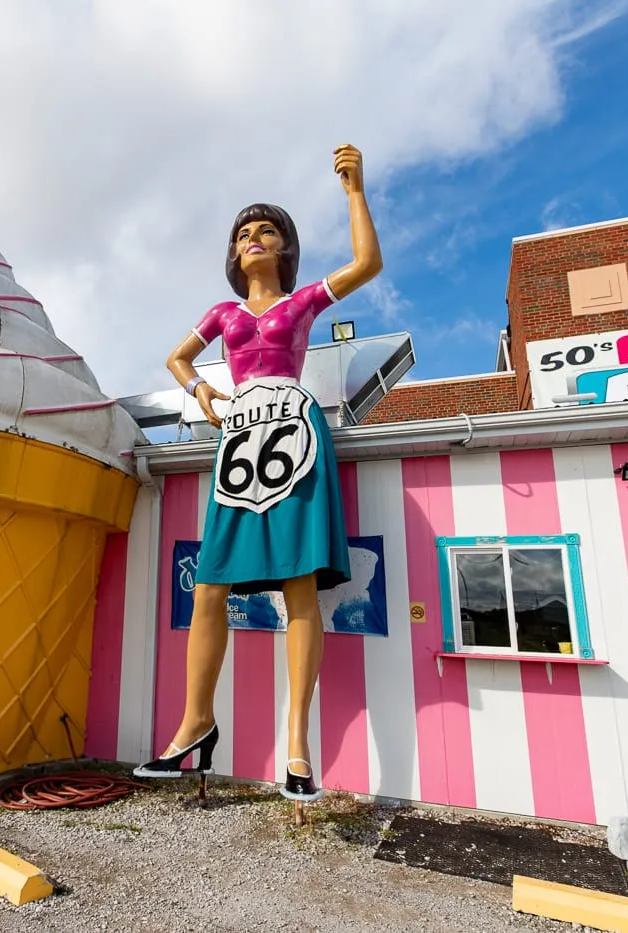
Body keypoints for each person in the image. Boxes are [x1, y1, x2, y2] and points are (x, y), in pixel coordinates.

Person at [135, 144, 383, 802]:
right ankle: (195, 723)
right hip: (240, 436)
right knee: (210, 583)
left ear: (285, 247)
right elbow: (176, 357)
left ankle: (297, 744)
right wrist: (202, 392)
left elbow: (365, 264)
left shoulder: (301, 302)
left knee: (298, 584)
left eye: (265, 231)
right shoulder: (222, 314)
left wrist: (355, 190)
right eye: (243, 233)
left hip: (293, 430)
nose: (253, 239)